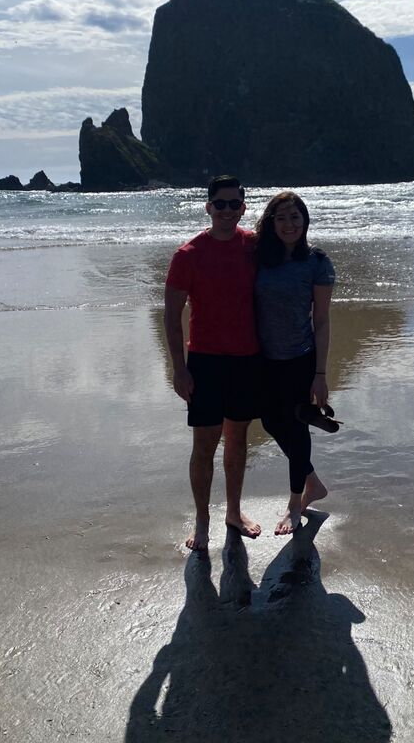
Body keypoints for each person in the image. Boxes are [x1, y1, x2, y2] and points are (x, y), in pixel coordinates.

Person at [164, 175, 262, 551]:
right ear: (208, 207)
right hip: (204, 362)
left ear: (242, 207)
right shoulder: (187, 255)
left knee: (237, 441)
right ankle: (202, 519)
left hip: (247, 360)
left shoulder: (253, 247)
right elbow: (172, 317)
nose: (226, 211)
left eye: (233, 204)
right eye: (219, 204)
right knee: (204, 445)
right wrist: (179, 367)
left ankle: (233, 512)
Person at [254, 191, 336, 535]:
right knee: (273, 422)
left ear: (305, 222)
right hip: (262, 358)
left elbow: (322, 320)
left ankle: (295, 503)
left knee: (296, 426)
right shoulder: (258, 257)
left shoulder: (316, 262)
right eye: (282, 217)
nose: (289, 224)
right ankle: (313, 482)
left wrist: (320, 373)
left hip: (300, 358)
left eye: (296, 217)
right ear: (271, 222)